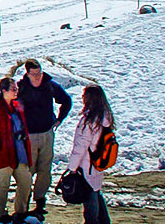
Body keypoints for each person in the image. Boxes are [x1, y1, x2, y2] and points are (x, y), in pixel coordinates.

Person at [17, 58, 71, 218]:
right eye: (34, 74)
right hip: (29, 135)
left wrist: (59, 119)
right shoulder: (22, 88)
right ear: (27, 74)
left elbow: (66, 100)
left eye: (39, 73)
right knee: (28, 171)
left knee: (45, 170)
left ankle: (40, 201)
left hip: (47, 132)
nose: (38, 76)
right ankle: (23, 205)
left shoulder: (49, 84)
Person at [0, 77, 33, 224]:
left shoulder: (17, 107)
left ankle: (21, 211)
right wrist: (0, 146)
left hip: (20, 153)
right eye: (13, 89)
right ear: (4, 91)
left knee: (26, 182)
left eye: (16, 89)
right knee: (2, 185)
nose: (16, 91)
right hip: (3, 155)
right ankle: (1, 214)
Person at [68, 84, 113, 224]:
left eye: (84, 95)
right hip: (98, 163)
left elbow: (81, 147)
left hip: (87, 165)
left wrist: (72, 168)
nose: (82, 98)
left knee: (89, 197)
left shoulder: (89, 121)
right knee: (96, 190)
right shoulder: (105, 118)